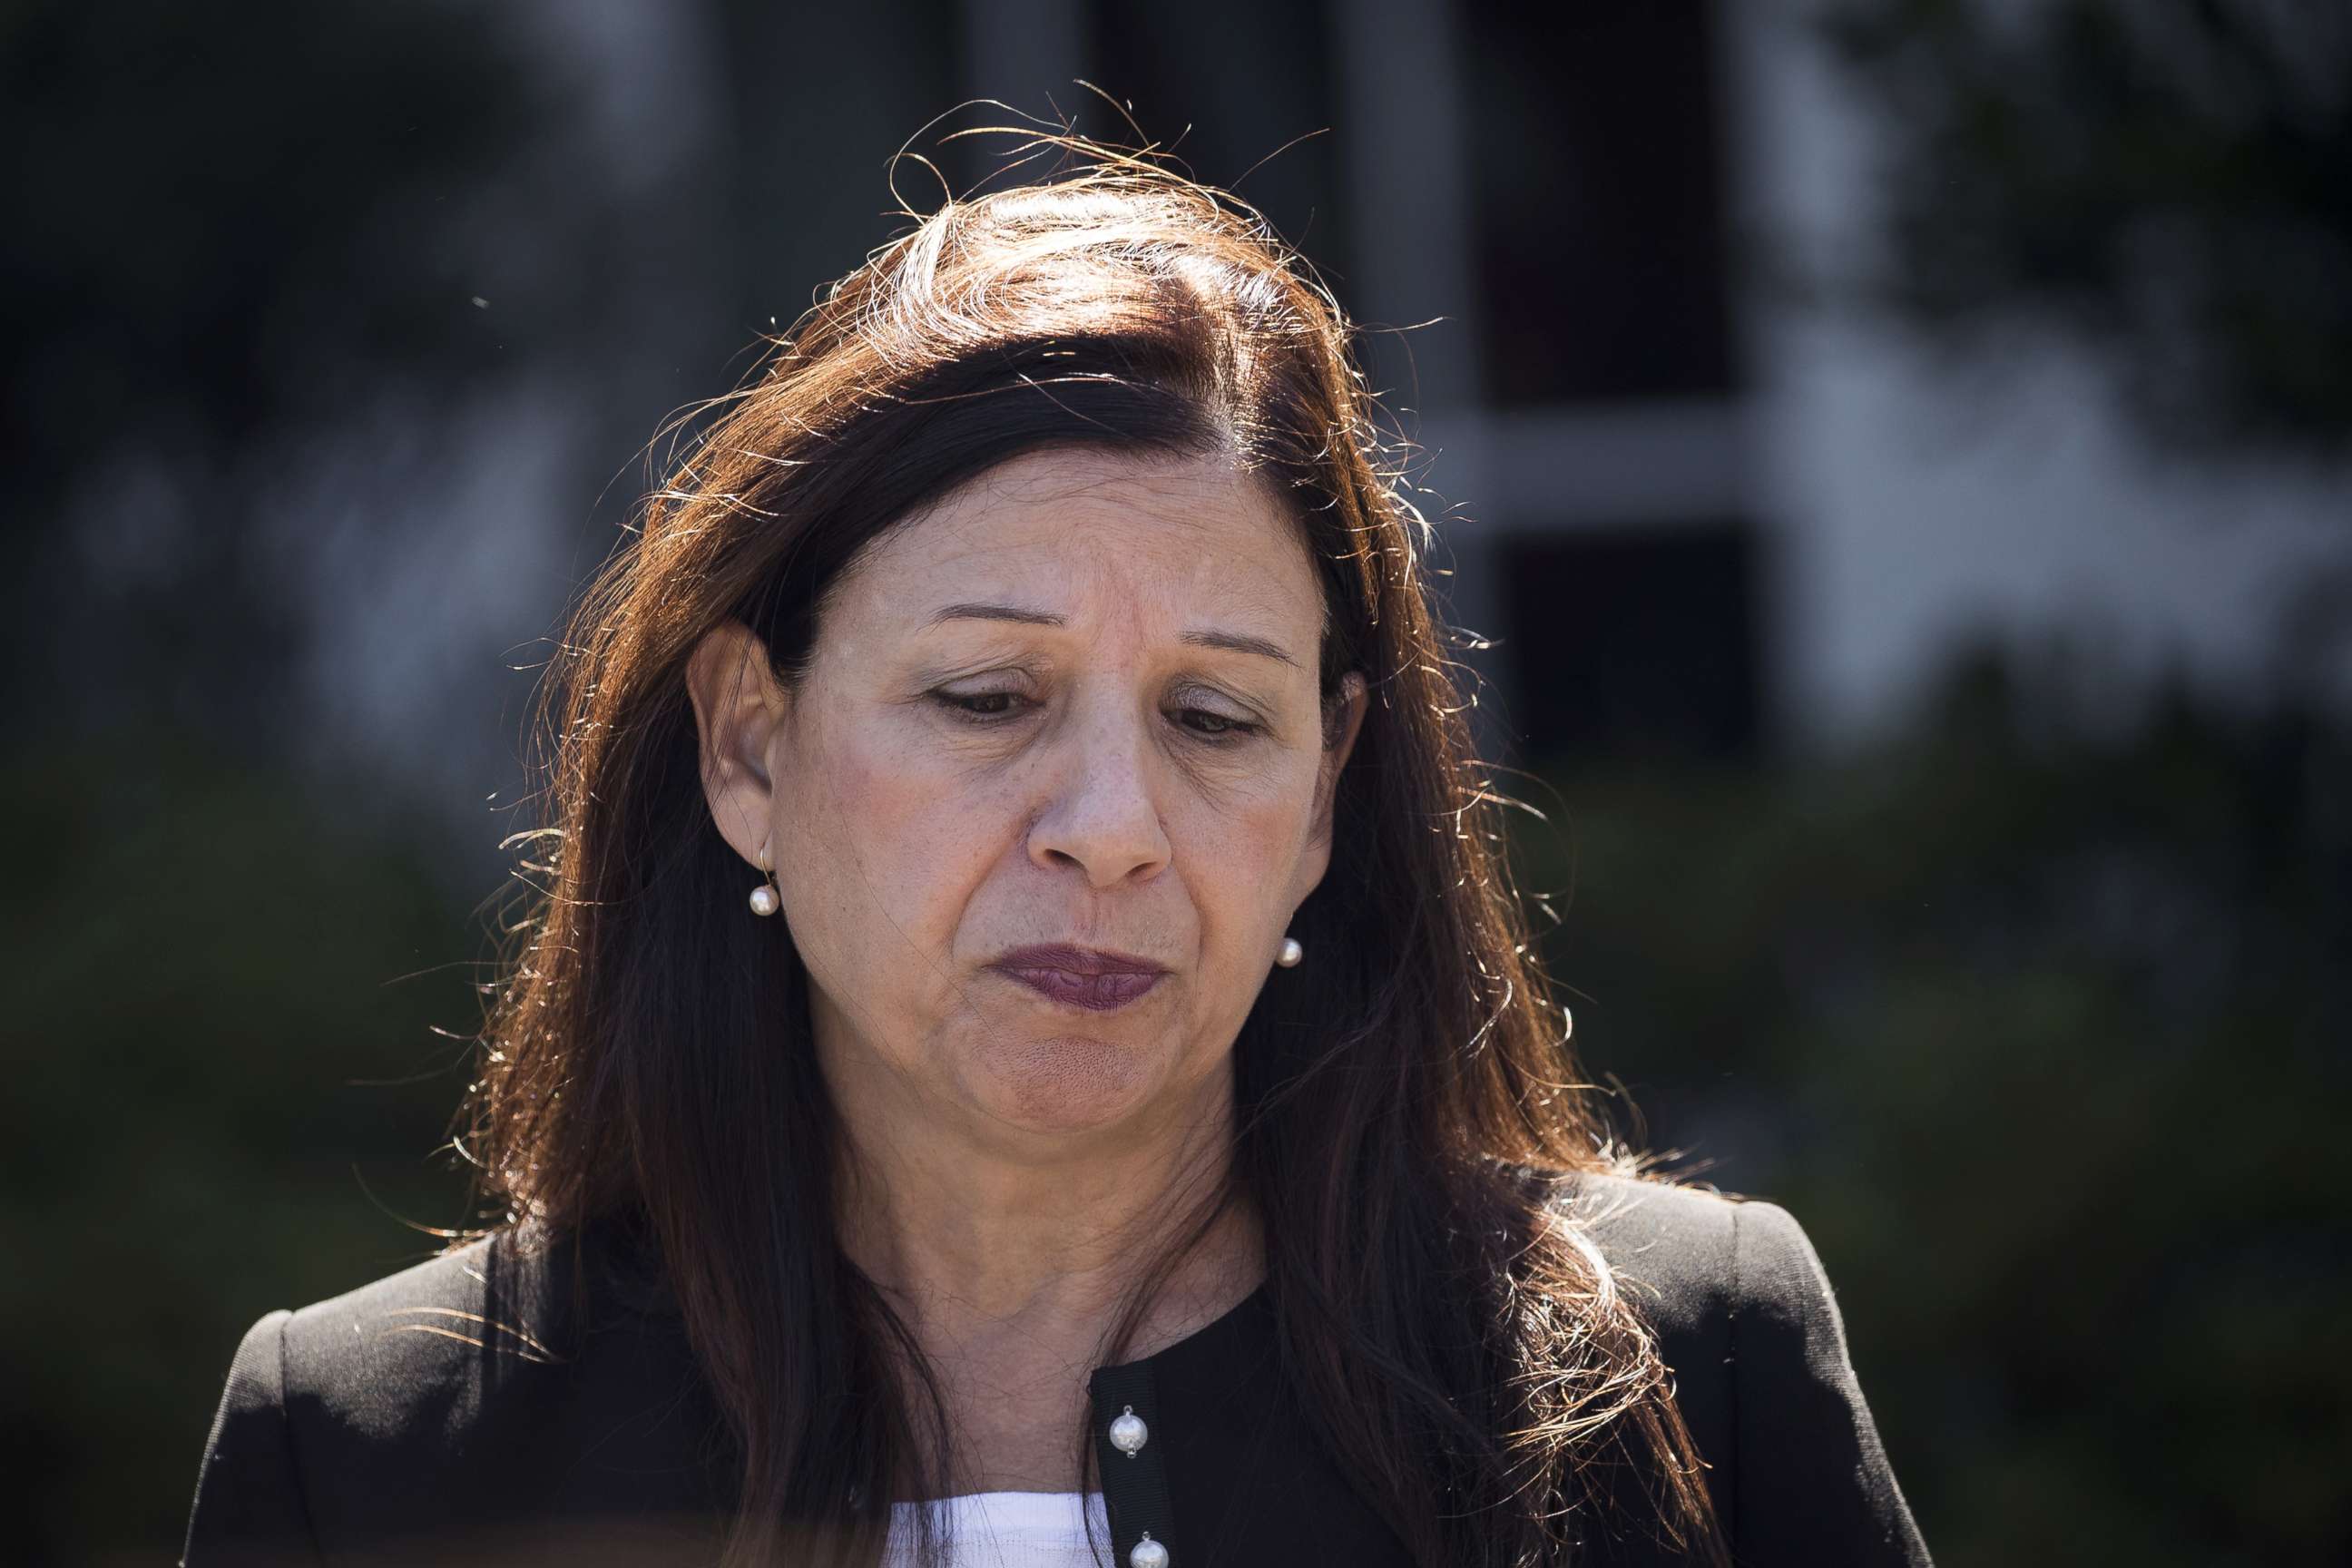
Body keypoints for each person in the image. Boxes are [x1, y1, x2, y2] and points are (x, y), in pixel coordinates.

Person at [181, 134, 1931, 1568]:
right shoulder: (375, 1459)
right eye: (988, 696)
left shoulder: (1679, 1377)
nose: (1111, 834)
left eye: (1216, 720)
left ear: (1323, 798)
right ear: (748, 745)